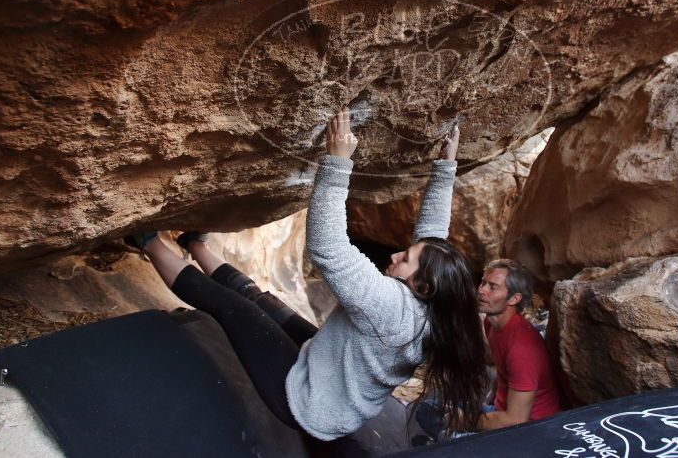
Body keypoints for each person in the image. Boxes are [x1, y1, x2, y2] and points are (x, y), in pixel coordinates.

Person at [129, 107, 488, 441]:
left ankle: (146, 240)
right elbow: (432, 242)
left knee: (233, 307)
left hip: (308, 404)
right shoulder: (433, 306)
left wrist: (337, 162)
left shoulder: (394, 310)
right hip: (327, 369)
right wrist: (445, 170)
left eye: (405, 258)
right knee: (261, 299)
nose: (396, 254)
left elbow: (328, 247)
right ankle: (196, 245)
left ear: (422, 286)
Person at [476, 259, 561, 430]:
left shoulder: (522, 348)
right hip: (502, 410)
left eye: (492, 287)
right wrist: (490, 397)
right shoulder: (491, 323)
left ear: (514, 298)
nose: (481, 290)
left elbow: (516, 421)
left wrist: (466, 421)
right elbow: (501, 369)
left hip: (532, 429)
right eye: (483, 282)